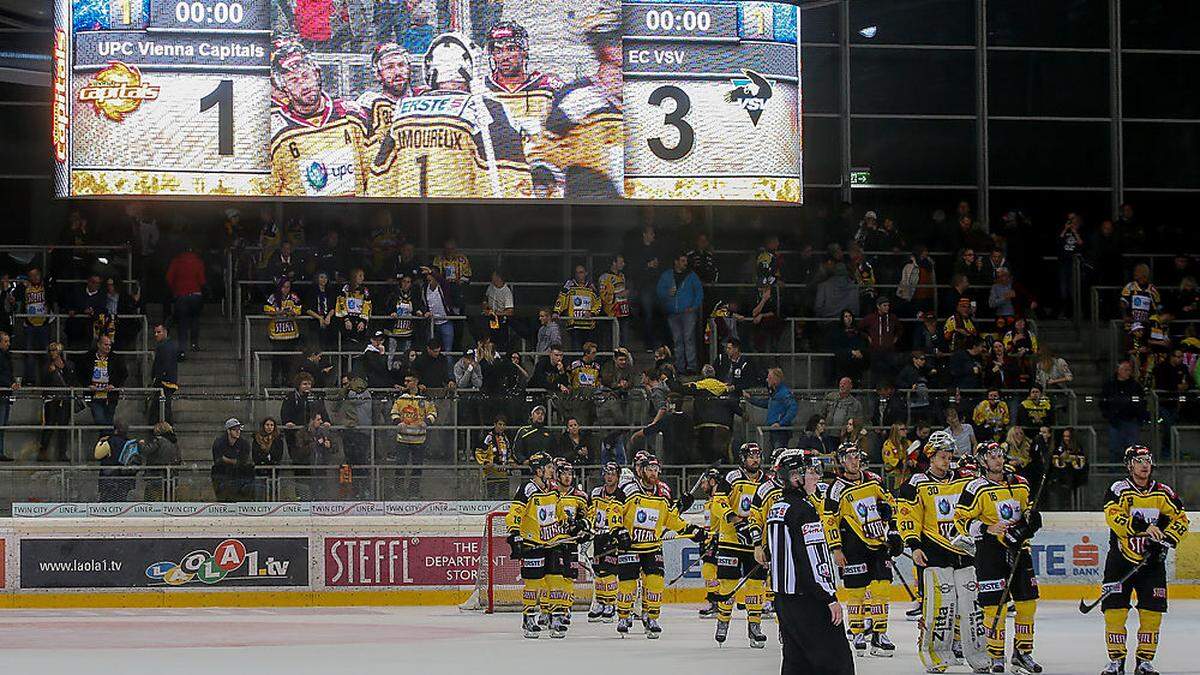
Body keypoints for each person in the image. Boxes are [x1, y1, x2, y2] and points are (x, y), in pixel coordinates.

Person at [896, 431, 989, 671]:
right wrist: (914, 545)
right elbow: (907, 517)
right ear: (931, 457)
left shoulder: (965, 480)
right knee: (940, 606)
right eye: (942, 456)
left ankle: (978, 656)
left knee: (971, 606)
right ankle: (936, 656)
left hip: (965, 552)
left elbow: (977, 508)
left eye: (949, 455)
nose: (948, 460)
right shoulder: (916, 484)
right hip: (934, 552)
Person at [1098, 445, 1190, 675]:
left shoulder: (1163, 492)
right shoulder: (1119, 489)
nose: (1144, 464)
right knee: (1114, 612)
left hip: (1152, 565)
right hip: (1120, 561)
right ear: (1129, 465)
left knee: (1152, 613)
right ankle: (1116, 661)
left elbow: (1181, 518)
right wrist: (1145, 528)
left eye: (1147, 459)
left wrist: (1166, 539)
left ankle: (1145, 661)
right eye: (1139, 460)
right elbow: (1114, 517)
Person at [762, 450, 854, 675]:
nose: (817, 477)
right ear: (795, 477)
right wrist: (829, 597)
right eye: (811, 472)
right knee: (837, 662)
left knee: (797, 664)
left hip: (784, 601)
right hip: (810, 601)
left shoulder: (777, 508)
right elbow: (813, 558)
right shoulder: (804, 510)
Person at [955, 441, 1042, 675]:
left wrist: (1029, 524)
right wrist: (986, 528)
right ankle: (995, 655)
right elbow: (960, 519)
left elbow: (1029, 512)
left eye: (1000, 455)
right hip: (990, 553)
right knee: (994, 607)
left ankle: (1023, 653)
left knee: (1027, 604)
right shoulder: (975, 488)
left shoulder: (1020, 483)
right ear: (983, 461)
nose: (998, 460)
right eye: (992, 456)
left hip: (1020, 551)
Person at [610, 453, 706, 638]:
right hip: (629, 545)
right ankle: (623, 615)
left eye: (656, 469)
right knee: (628, 584)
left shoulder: (663, 493)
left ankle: (651, 617)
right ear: (642, 470)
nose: (653, 473)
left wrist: (691, 529)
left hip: (652, 545)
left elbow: (670, 518)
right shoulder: (629, 488)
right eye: (649, 469)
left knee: (655, 582)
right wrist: (618, 530)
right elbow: (614, 508)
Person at [825, 441, 900, 657]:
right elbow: (829, 520)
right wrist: (836, 549)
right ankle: (857, 632)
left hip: (878, 543)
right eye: (848, 457)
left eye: (856, 456)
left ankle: (879, 634)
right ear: (841, 461)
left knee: (882, 589)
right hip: (852, 545)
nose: (854, 461)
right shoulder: (836, 488)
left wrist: (893, 531)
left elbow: (891, 504)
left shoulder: (874, 481)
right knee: (856, 592)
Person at [269, 41, 367, 197]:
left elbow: (372, 173)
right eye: (293, 80)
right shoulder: (276, 134)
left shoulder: (350, 115)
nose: (304, 85)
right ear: (283, 88)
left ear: (317, 74)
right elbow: (269, 191)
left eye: (306, 75)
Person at [710, 443, 769, 647]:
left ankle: (755, 627)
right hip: (731, 541)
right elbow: (718, 501)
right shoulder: (732, 477)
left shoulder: (767, 482)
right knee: (727, 584)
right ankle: (723, 622)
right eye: (751, 456)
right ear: (743, 458)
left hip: (756, 544)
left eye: (758, 455)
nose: (755, 459)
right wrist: (733, 518)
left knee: (755, 586)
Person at [504, 451, 565, 639]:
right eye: (549, 467)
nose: (552, 470)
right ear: (538, 470)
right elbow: (515, 511)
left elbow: (558, 510)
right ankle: (529, 616)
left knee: (556, 580)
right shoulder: (527, 489)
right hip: (533, 542)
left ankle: (555, 616)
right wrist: (514, 533)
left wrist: (569, 522)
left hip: (552, 541)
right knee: (533, 583)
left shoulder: (553, 488)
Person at [551, 458, 590, 631]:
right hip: (551, 542)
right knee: (552, 578)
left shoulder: (580, 496)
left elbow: (588, 518)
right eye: (564, 474)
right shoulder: (549, 493)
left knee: (568, 576)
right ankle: (548, 609)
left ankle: (564, 608)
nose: (567, 477)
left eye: (570, 474)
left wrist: (583, 529)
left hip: (570, 543)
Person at [389, 373, 438, 496]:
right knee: (400, 467)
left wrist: (426, 422)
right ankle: (399, 492)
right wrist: (398, 422)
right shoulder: (401, 398)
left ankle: (413, 492)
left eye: (408, 381)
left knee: (417, 468)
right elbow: (394, 412)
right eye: (405, 381)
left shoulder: (425, 398)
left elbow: (433, 413)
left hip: (419, 439)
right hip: (402, 439)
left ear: (415, 382)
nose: (405, 383)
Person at [587, 461, 623, 623]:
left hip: (613, 537)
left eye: (612, 474)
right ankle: (601, 602)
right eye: (607, 473)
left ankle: (611, 603)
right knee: (598, 571)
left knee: (610, 572)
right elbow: (589, 512)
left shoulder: (622, 495)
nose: (609, 477)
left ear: (618, 476)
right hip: (598, 537)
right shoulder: (596, 492)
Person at [657, 253, 703, 374]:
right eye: (682, 261)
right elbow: (659, 291)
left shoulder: (691, 275)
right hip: (673, 313)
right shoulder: (667, 275)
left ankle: (692, 367)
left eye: (685, 261)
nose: (685, 263)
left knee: (689, 339)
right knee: (678, 340)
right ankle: (680, 366)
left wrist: (693, 307)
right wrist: (667, 293)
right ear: (676, 261)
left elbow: (699, 292)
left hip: (688, 313)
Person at [1101, 361, 1148, 462]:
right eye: (1125, 370)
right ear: (1118, 370)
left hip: (1132, 420)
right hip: (1115, 421)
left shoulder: (1135, 386)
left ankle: (1131, 469)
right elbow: (1103, 401)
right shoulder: (1110, 385)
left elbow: (1142, 401)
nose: (1128, 372)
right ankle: (1113, 470)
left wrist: (1140, 416)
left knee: (1132, 448)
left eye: (1129, 370)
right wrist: (1108, 415)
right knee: (1114, 447)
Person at [78, 334, 126, 429]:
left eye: (109, 345)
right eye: (105, 345)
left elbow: (124, 374)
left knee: (108, 421)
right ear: (99, 345)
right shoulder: (88, 358)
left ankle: (105, 442)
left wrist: (114, 385)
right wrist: (87, 385)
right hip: (92, 395)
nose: (108, 347)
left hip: (111, 396)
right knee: (100, 420)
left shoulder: (116, 358)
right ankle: (108, 440)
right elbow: (79, 373)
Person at [37, 341, 74, 461]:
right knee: (49, 425)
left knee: (63, 427)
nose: (52, 352)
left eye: (55, 350)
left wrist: (65, 369)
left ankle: (62, 453)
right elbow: (42, 381)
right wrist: (50, 372)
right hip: (51, 399)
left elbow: (72, 380)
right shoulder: (46, 365)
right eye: (51, 350)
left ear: (60, 351)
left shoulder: (67, 364)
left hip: (64, 399)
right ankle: (43, 451)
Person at [165, 246, 205, 356]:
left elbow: (169, 278)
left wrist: (175, 289)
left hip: (181, 295)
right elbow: (202, 280)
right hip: (196, 295)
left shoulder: (176, 262)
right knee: (195, 319)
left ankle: (182, 349)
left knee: (182, 323)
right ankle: (194, 344)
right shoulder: (198, 262)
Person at [746, 367, 799, 449]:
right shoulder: (775, 393)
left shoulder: (784, 393)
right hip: (773, 429)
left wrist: (780, 423)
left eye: (769, 378)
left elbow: (793, 409)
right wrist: (750, 399)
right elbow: (766, 403)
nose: (767, 380)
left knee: (779, 452)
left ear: (776, 379)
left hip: (780, 431)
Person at [264, 279, 303, 388]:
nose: (286, 289)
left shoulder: (293, 297)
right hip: (276, 335)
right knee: (277, 360)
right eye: (284, 287)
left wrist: (292, 312)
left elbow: (299, 309)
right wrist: (279, 312)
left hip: (291, 334)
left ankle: (288, 381)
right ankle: (275, 383)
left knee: (289, 361)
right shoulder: (273, 297)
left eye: (288, 287)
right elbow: (266, 309)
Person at [555, 265, 601, 350]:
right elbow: (561, 298)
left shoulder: (591, 287)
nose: (578, 275)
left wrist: (592, 313)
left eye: (581, 272)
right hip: (574, 325)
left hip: (588, 325)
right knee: (576, 351)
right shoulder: (569, 286)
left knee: (588, 351)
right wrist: (556, 311)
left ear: (586, 273)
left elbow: (598, 303)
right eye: (577, 272)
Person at [384, 273, 424, 367]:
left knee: (406, 356)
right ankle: (389, 373)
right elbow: (387, 307)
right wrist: (391, 312)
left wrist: (419, 311)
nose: (406, 284)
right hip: (394, 331)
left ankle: (405, 373)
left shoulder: (414, 296)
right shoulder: (394, 295)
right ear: (400, 283)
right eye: (404, 282)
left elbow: (419, 307)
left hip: (408, 332)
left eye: (408, 282)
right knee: (391, 355)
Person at [211, 418, 253, 502]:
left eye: (239, 429)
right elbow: (218, 460)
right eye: (234, 430)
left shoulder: (244, 443)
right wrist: (233, 461)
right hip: (223, 472)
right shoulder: (219, 442)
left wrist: (227, 460)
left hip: (239, 473)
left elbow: (243, 461)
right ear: (228, 431)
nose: (238, 432)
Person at [474, 414, 511, 500]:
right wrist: (485, 462)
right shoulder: (488, 437)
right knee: (491, 499)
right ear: (495, 424)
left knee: (504, 500)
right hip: (491, 475)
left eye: (504, 425)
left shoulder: (505, 438)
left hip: (504, 475)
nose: (502, 427)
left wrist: (511, 462)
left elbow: (508, 452)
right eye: (500, 424)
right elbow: (479, 451)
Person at [598, 255, 631, 349]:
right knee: (612, 337)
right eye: (621, 262)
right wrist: (618, 295)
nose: (623, 264)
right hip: (612, 312)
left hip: (623, 310)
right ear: (614, 263)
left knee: (624, 336)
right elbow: (602, 295)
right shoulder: (604, 277)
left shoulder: (622, 276)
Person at [149, 323, 178, 425]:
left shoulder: (165, 347)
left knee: (163, 408)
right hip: (167, 381)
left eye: (159, 332)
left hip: (165, 382)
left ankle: (168, 430)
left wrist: (157, 379)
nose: (156, 334)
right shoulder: (169, 345)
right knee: (160, 408)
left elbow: (164, 366)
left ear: (165, 332)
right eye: (155, 332)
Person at [335, 267, 373, 348]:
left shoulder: (365, 290)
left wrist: (363, 321)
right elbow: (341, 303)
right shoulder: (346, 288)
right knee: (345, 345)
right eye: (360, 275)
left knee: (358, 347)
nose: (362, 278)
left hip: (359, 320)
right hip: (346, 320)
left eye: (363, 276)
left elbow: (367, 306)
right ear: (354, 276)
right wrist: (346, 319)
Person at [820, 376, 863, 447]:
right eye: (840, 384)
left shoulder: (856, 404)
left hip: (845, 436)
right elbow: (822, 413)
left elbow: (859, 421)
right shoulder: (830, 397)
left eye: (845, 384)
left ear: (850, 386)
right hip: (828, 433)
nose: (842, 386)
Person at [305, 271, 339, 350]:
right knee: (316, 345)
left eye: (325, 277)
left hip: (328, 321)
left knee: (328, 344)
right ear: (317, 278)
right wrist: (319, 318)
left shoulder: (330, 291)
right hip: (315, 321)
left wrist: (329, 316)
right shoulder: (311, 291)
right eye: (321, 277)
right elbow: (307, 309)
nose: (324, 279)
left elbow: (334, 307)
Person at [483, 270, 514, 351]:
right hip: (489, 318)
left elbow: (510, 311)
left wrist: (496, 313)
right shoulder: (490, 286)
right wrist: (486, 306)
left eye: (493, 276)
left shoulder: (506, 291)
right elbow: (485, 298)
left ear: (499, 278)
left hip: (500, 320)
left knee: (500, 340)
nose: (491, 278)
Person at [880, 422, 916, 493]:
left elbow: (914, 456)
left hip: (907, 476)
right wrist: (903, 462)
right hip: (893, 477)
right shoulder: (888, 444)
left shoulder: (908, 443)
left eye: (906, 429)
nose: (905, 431)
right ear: (896, 431)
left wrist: (912, 462)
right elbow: (889, 460)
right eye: (902, 429)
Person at [0, 331, 18, 461]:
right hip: (2, 393)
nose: (8, 344)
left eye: (8, 341)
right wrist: (9, 383)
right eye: (5, 341)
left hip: (6, 394)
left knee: (3, 425)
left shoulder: (6, 355)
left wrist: (13, 383)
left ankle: (0, 451)